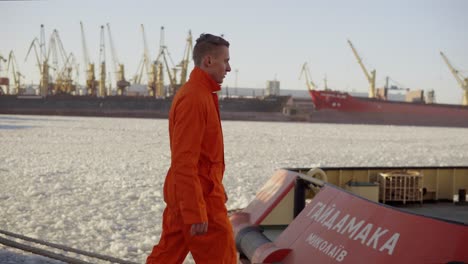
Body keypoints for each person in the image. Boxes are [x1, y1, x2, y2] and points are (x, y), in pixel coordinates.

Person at [146, 33, 237, 264]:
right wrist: (196, 210)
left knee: (164, 258)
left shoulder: (201, 94)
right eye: (225, 61)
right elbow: (184, 160)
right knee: (223, 257)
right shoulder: (195, 98)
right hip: (200, 200)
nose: (229, 68)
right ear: (208, 61)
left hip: (191, 195)